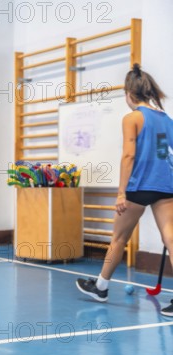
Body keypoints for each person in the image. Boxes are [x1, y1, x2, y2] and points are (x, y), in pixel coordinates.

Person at [76, 64, 173, 315]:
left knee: (118, 239)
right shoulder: (167, 119)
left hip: (139, 186)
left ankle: (101, 287)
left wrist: (121, 192)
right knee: (171, 238)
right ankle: (99, 286)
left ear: (130, 93)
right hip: (166, 186)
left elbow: (129, 155)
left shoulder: (132, 118)